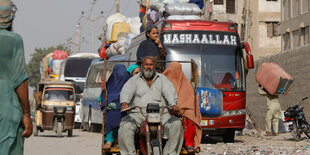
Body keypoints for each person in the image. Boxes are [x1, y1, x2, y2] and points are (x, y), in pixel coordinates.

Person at [119, 56, 184, 155]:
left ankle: (170, 153)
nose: (148, 67)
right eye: (146, 64)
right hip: (138, 117)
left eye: (151, 65)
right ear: (142, 66)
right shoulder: (134, 80)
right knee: (125, 127)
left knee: (176, 124)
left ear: (154, 66)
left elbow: (169, 91)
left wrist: (173, 104)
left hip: (162, 116)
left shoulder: (162, 79)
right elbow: (127, 91)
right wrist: (125, 103)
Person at [0, 1, 33, 154]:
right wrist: (26, 114)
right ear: (10, 18)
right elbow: (21, 81)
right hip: (7, 113)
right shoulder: (14, 40)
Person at [163, 62, 202, 153]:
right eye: (172, 71)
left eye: (177, 71)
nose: (174, 73)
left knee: (191, 117)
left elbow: (191, 104)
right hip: (166, 112)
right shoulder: (162, 82)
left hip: (183, 112)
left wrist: (181, 111)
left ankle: (189, 144)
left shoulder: (187, 84)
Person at [100, 64, 131, 149]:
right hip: (113, 110)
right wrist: (109, 105)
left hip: (127, 111)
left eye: (123, 73)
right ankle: (109, 140)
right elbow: (103, 99)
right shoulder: (109, 85)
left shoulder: (130, 84)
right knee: (111, 115)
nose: (120, 75)